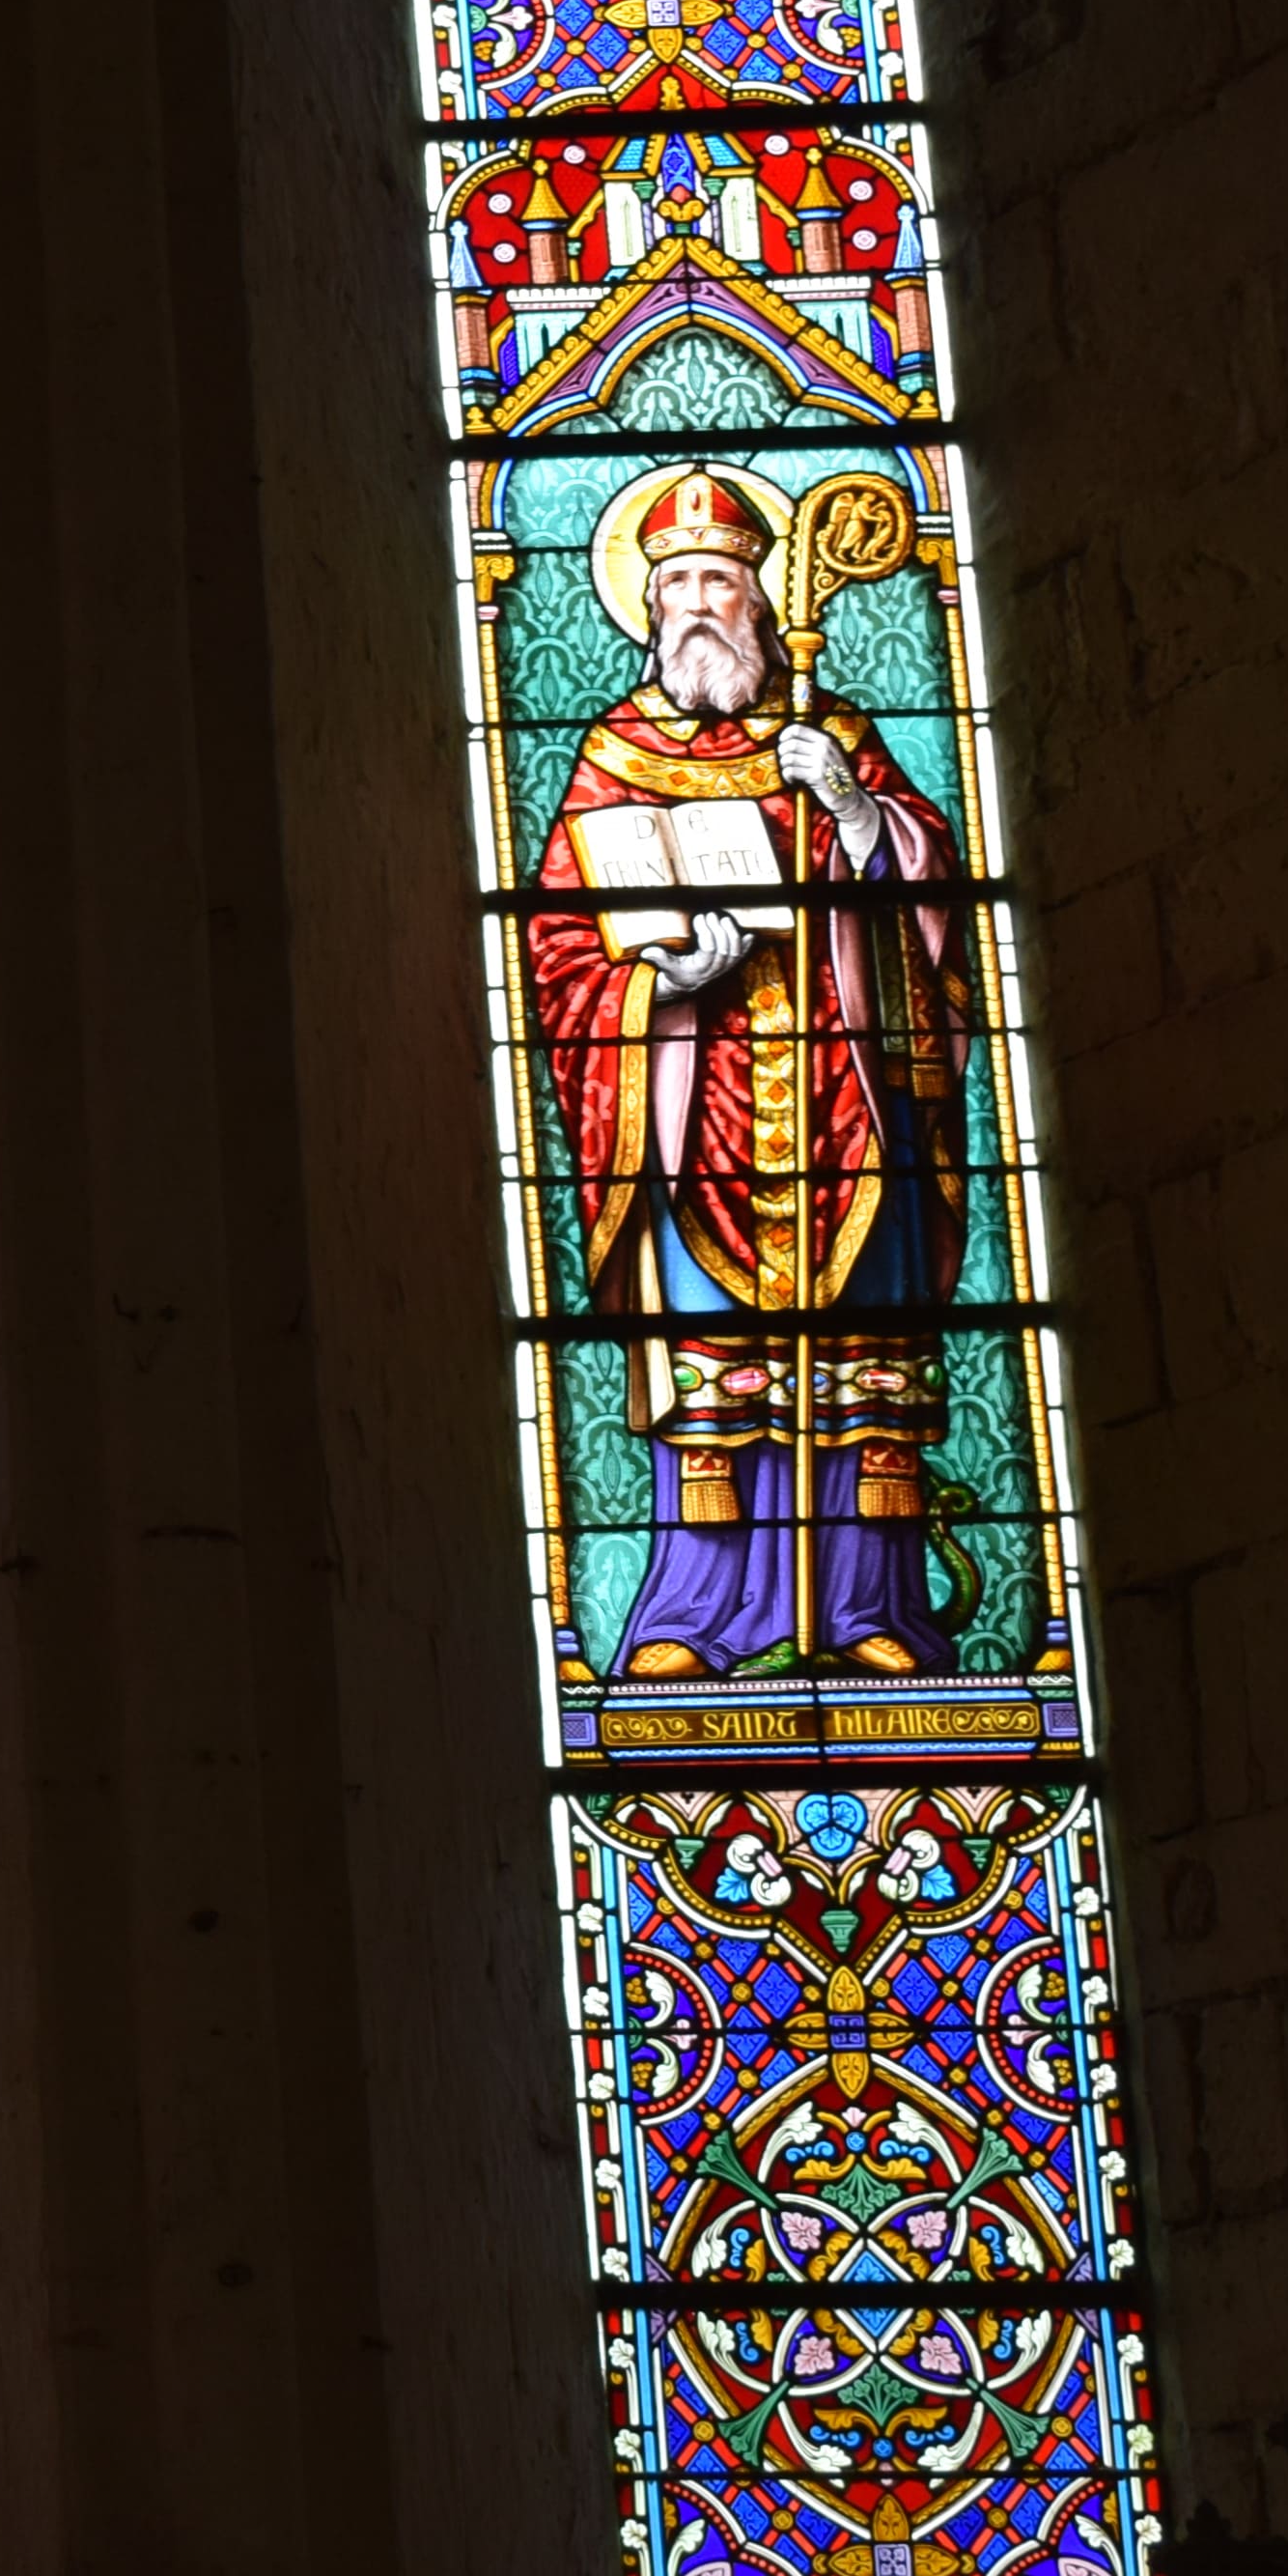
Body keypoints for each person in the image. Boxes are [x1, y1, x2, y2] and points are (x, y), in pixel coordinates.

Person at [518, 466, 973, 1678]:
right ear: (648, 607)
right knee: (711, 1361)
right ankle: (691, 1617)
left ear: (762, 598)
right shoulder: (615, 755)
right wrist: (657, 978)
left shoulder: (832, 737)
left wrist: (856, 813)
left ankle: (871, 1605)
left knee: (865, 1349)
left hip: (843, 1094)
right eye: (675, 587)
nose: (699, 606)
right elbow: (557, 934)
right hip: (691, 1099)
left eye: (721, 580)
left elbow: (933, 899)